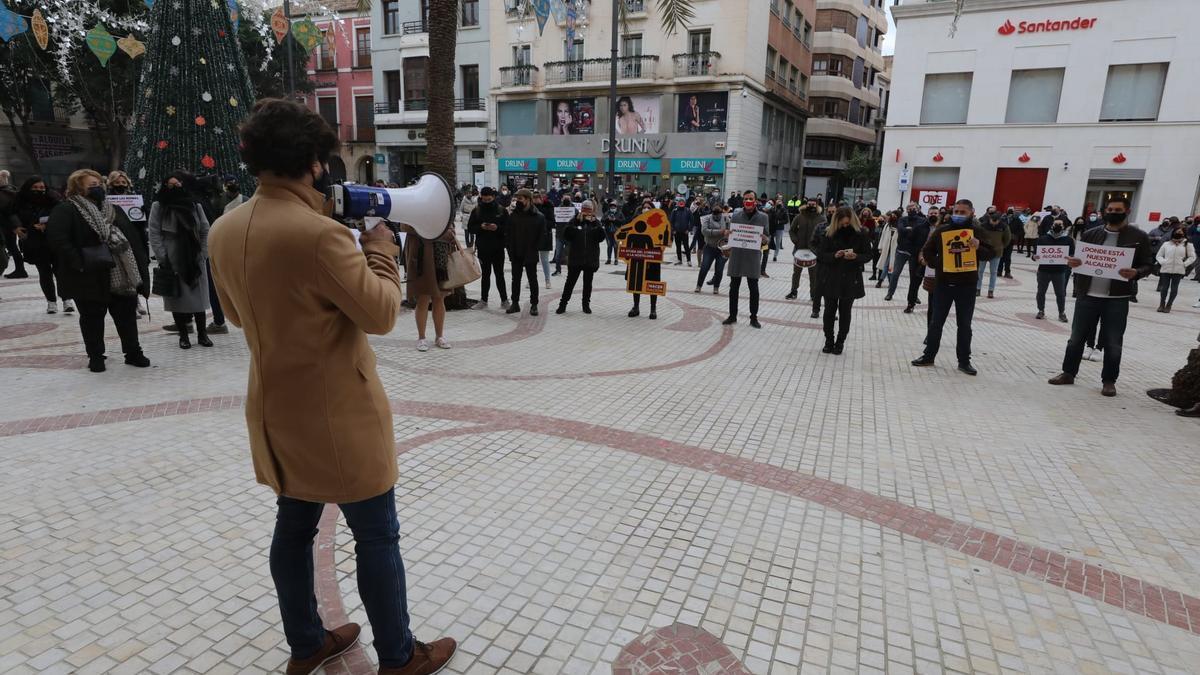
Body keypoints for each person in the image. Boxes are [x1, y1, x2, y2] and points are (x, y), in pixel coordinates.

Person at [207, 98, 455, 675]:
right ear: (317, 164)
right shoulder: (320, 236)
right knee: (376, 538)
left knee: (293, 531)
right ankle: (399, 656)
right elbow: (380, 313)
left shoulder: (224, 229)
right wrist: (380, 247)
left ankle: (308, 643)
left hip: (274, 413)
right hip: (338, 417)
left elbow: (240, 318)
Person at [1048, 195, 1155, 397]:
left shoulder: (1138, 237)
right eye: (1110, 210)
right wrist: (1074, 263)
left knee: (1114, 341)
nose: (1113, 213)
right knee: (1076, 338)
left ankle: (1109, 381)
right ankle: (1068, 373)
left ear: (1127, 211)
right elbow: (1080, 259)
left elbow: (1149, 264)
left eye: (1117, 210)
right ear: (1104, 211)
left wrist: (1137, 273)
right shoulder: (1090, 234)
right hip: (1088, 295)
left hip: (1117, 298)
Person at [46, 169, 150, 373]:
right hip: (88, 276)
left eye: (99, 184)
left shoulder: (114, 209)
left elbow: (132, 237)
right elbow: (58, 240)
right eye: (91, 185)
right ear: (78, 188)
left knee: (126, 317)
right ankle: (95, 356)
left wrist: (140, 263)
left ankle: (133, 353)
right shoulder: (67, 209)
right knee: (92, 319)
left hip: (121, 274)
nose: (97, 188)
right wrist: (80, 263)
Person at [911, 199, 995, 376]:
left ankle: (964, 361)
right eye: (956, 211)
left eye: (963, 212)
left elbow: (992, 252)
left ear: (972, 212)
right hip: (944, 284)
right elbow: (927, 251)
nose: (958, 215)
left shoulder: (978, 231)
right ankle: (929, 356)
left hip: (967, 285)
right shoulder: (942, 230)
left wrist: (978, 246)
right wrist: (940, 264)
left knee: (964, 325)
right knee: (936, 322)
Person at [148, 173, 215, 349]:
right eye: (170, 185)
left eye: (178, 184)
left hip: (195, 255)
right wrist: (163, 256)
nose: (175, 188)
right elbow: (154, 232)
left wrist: (203, 252)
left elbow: (205, 229)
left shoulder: (194, 205)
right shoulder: (159, 206)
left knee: (198, 297)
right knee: (177, 298)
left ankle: (202, 334)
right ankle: (183, 335)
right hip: (173, 256)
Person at [13, 177, 71, 314]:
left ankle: (67, 299)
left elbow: (62, 214)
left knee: (61, 271)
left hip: (54, 239)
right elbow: (11, 215)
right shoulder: (19, 200)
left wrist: (48, 225)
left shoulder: (54, 199)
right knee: (45, 273)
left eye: (42, 188)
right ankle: (51, 302)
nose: (39, 190)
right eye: (36, 188)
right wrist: (17, 227)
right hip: (34, 241)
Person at [816, 207, 871, 354]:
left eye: (847, 223)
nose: (845, 226)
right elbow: (821, 254)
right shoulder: (828, 232)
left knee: (845, 312)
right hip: (831, 277)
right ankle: (829, 340)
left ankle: (840, 342)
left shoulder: (862, 233)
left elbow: (868, 255)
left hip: (850, 278)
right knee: (829, 311)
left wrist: (856, 257)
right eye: (842, 224)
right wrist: (834, 255)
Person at [402, 220, 457, 351]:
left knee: (439, 298)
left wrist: (440, 230)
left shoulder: (443, 208)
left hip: (440, 259)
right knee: (423, 298)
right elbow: (405, 227)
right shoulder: (414, 209)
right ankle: (421, 338)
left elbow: (450, 231)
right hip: (422, 259)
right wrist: (430, 228)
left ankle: (440, 336)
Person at [723, 190, 768, 328]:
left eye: (751, 198)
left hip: (753, 256)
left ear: (755, 201)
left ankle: (753, 317)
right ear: (743, 201)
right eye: (746, 198)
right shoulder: (735, 216)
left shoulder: (763, 217)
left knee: (753, 288)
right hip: (737, 255)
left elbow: (767, 237)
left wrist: (765, 239)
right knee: (733, 287)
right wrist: (727, 234)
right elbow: (730, 234)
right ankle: (732, 315)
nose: (748, 201)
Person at [557, 200, 605, 314]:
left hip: (590, 258)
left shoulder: (595, 222)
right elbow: (566, 235)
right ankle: (562, 304)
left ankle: (586, 305)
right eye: (584, 211)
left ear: (592, 212)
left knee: (588, 284)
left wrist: (596, 225)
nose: (586, 213)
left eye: (589, 211)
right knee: (570, 283)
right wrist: (576, 222)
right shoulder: (574, 220)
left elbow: (601, 237)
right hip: (575, 258)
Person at [505, 188, 545, 316]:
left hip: (530, 253)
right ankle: (515, 303)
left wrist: (535, 248)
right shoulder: (513, 216)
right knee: (515, 279)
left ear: (528, 199)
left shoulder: (538, 217)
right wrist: (510, 250)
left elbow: (542, 236)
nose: (517, 201)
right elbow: (508, 235)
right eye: (517, 199)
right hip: (516, 252)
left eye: (520, 199)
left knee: (532, 279)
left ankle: (534, 304)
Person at [467, 187, 508, 309]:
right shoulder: (477, 210)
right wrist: (481, 227)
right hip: (483, 248)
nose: (486, 202)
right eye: (484, 200)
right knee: (485, 275)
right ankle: (484, 300)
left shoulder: (501, 210)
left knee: (499, 274)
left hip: (498, 248)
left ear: (493, 197)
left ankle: (504, 300)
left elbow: (508, 228)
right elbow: (470, 227)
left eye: (489, 199)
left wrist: (497, 228)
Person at [887, 203, 931, 312]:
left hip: (914, 252)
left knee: (914, 278)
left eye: (914, 208)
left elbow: (921, 233)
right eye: (910, 208)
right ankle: (890, 293)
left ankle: (914, 297)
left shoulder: (922, 220)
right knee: (895, 273)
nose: (912, 210)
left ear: (918, 209)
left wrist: (910, 230)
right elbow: (901, 230)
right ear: (907, 210)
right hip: (901, 250)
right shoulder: (902, 219)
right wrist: (911, 230)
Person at [1032, 217, 1075, 322]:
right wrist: (1034, 257)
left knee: (1060, 293)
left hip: (1060, 271)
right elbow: (1035, 254)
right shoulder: (1043, 238)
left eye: (1060, 224)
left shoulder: (1068, 240)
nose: (1058, 226)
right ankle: (1041, 310)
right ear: (1052, 225)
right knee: (1041, 292)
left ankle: (1061, 313)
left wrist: (1070, 259)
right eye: (1056, 224)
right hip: (1043, 270)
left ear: (1063, 227)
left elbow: (1072, 255)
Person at [786, 198, 825, 310]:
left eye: (813, 204)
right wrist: (795, 240)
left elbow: (824, 232)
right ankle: (794, 292)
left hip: (814, 251)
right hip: (799, 249)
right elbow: (791, 230)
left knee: (813, 275)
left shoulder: (821, 218)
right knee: (796, 273)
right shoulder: (799, 216)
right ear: (806, 205)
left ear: (817, 205)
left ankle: (813, 294)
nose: (811, 206)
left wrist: (819, 245)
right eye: (809, 204)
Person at [1155, 226, 1194, 313]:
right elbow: (1159, 255)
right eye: (1177, 232)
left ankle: (1169, 305)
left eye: (1181, 232)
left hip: (1179, 270)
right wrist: (1163, 262)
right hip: (1166, 269)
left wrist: (1184, 264)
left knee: (1174, 288)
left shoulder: (1187, 244)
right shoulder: (1166, 244)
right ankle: (1162, 304)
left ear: (1184, 234)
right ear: (1173, 233)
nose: (1179, 233)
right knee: (1164, 288)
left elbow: (1192, 257)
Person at [975, 206, 1011, 299]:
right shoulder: (983, 225)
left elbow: (1007, 239)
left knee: (993, 272)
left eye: (996, 221)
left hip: (996, 252)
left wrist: (1001, 246)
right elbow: (978, 237)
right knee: (980, 271)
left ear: (999, 220)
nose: (994, 223)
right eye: (992, 221)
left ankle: (991, 291)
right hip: (983, 251)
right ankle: (977, 289)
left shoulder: (1004, 227)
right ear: (989, 219)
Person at [695, 203, 730, 294]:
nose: (716, 215)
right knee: (704, 267)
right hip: (709, 247)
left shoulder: (726, 219)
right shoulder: (707, 218)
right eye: (715, 213)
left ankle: (716, 287)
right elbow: (704, 231)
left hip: (722, 249)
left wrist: (728, 233)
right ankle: (699, 285)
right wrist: (720, 232)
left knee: (719, 269)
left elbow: (730, 230)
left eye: (719, 213)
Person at [1, 169, 27, 279]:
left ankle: (20, 270)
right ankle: (20, 269)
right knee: (12, 247)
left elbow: (4, 212)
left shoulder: (2, 194)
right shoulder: (11, 190)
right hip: (13, 224)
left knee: (11, 247)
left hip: (6, 225)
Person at [533, 191, 556, 289]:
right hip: (532, 236)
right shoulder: (531, 207)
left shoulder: (548, 206)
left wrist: (540, 222)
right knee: (532, 260)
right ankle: (531, 280)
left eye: (537, 198)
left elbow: (551, 222)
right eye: (533, 198)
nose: (535, 200)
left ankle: (547, 280)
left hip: (545, 236)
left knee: (545, 260)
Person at [874, 211, 899, 290]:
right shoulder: (887, 225)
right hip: (886, 248)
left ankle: (880, 281)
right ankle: (890, 282)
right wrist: (880, 247)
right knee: (888, 266)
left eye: (895, 215)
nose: (893, 217)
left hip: (894, 250)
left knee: (887, 265)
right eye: (892, 215)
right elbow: (883, 236)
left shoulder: (900, 226)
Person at [670, 198, 692, 266]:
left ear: (684, 203)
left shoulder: (688, 210)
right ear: (678, 203)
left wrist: (688, 229)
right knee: (678, 247)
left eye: (683, 201)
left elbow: (691, 221)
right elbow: (671, 221)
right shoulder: (675, 211)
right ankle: (679, 260)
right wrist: (673, 230)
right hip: (677, 232)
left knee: (686, 247)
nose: (681, 202)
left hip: (685, 232)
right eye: (680, 201)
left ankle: (689, 260)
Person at [602, 199, 621, 265]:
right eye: (611, 207)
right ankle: (609, 259)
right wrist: (608, 219)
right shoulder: (607, 213)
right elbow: (602, 221)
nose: (612, 208)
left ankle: (616, 259)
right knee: (609, 245)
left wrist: (615, 220)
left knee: (616, 246)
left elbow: (623, 221)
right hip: (608, 232)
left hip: (617, 232)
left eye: (614, 206)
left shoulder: (619, 213)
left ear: (616, 207)